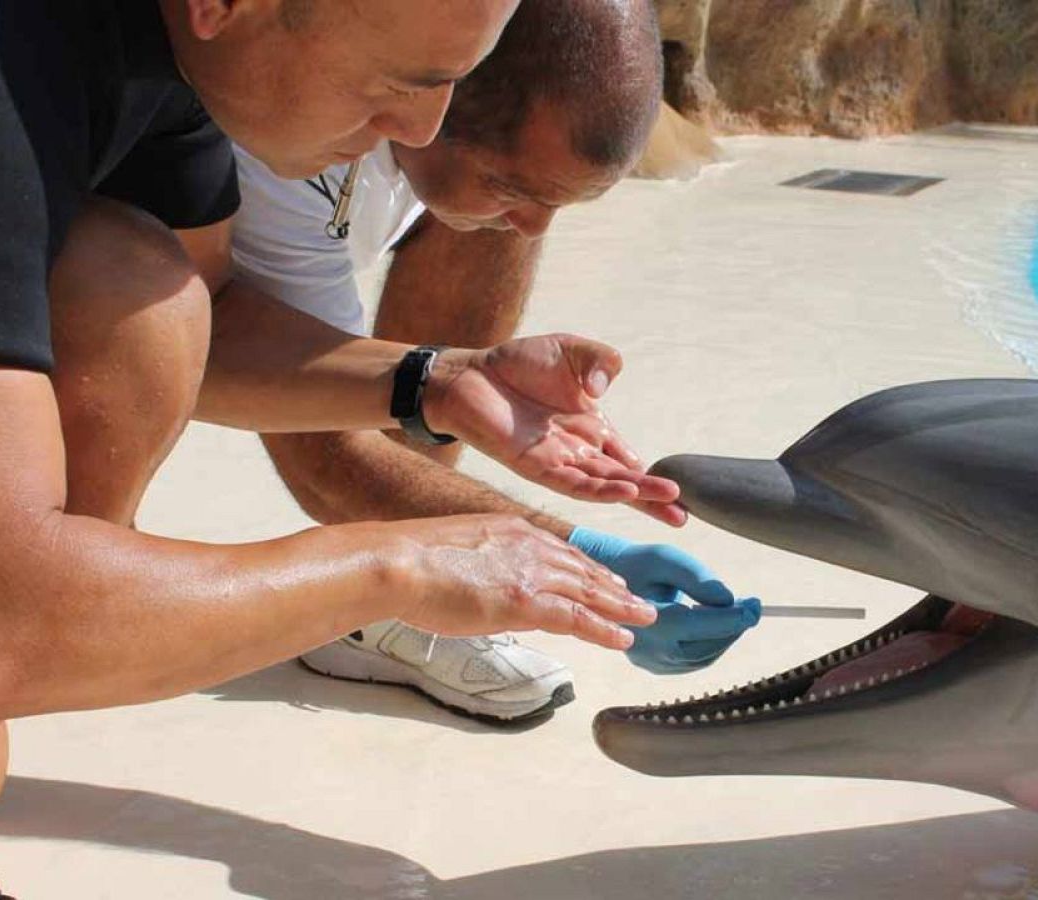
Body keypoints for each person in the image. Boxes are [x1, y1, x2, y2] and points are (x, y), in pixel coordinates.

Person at [0, 0, 676, 894]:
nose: (421, 129)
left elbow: (216, 320)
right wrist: (398, 567)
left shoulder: (177, 63)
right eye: (407, 85)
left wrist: (436, 382)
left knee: (141, 290)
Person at [230, 0, 761, 722]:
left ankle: (387, 606)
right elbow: (315, 442)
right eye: (519, 190)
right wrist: (574, 558)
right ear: (435, 93)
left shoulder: (470, 154)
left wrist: (452, 382)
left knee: (482, 209)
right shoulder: (282, 150)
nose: (536, 228)